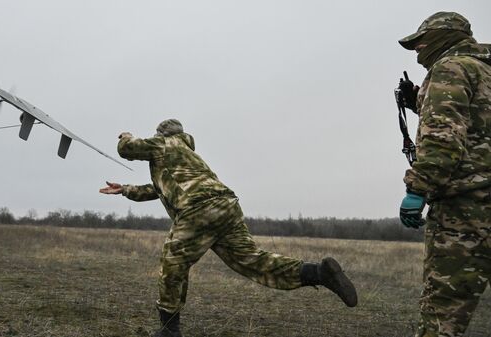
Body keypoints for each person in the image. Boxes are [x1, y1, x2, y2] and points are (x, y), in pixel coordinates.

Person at [100, 119, 357, 337]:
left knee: (173, 263)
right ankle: (318, 273)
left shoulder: (166, 142)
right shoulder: (186, 158)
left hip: (199, 210)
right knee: (253, 260)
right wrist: (125, 190)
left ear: (162, 134)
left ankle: (169, 330)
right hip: (226, 207)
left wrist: (126, 136)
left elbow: (127, 149)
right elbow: (157, 189)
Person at [397, 11, 491, 337]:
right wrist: (422, 106)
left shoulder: (450, 68)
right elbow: (480, 130)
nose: (418, 49)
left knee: (442, 317)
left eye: (422, 41)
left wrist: (417, 190)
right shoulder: (485, 70)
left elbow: (443, 140)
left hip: (467, 212)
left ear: (443, 38)